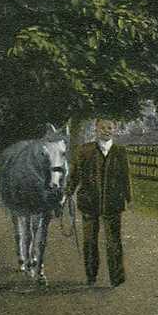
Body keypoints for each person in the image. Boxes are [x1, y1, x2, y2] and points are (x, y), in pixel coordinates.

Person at [66, 119, 132, 287]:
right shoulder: (85, 150)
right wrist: (68, 191)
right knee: (89, 242)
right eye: (102, 127)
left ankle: (116, 278)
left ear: (115, 130)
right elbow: (75, 174)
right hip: (89, 202)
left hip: (113, 203)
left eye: (109, 127)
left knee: (114, 241)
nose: (106, 130)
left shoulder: (120, 151)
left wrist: (129, 198)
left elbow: (126, 177)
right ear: (96, 130)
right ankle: (91, 277)